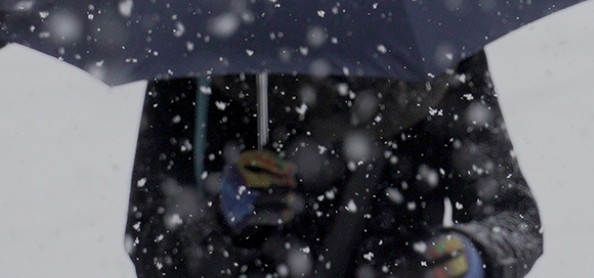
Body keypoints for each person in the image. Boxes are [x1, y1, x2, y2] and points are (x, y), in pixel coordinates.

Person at [124, 51, 543, 278]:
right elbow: (152, 237)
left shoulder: (434, 43)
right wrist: (221, 214)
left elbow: (514, 218)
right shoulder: (201, 52)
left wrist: (474, 254)